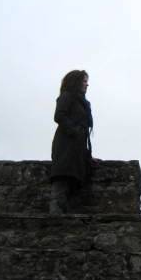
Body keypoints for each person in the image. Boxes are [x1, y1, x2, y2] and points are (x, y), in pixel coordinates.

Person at [50, 70, 94, 214]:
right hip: (66, 145)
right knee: (63, 178)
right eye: (84, 81)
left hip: (77, 147)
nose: (87, 84)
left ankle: (63, 219)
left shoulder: (81, 102)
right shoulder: (67, 96)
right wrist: (74, 131)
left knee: (72, 182)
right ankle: (56, 220)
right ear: (75, 82)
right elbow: (59, 116)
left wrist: (87, 155)